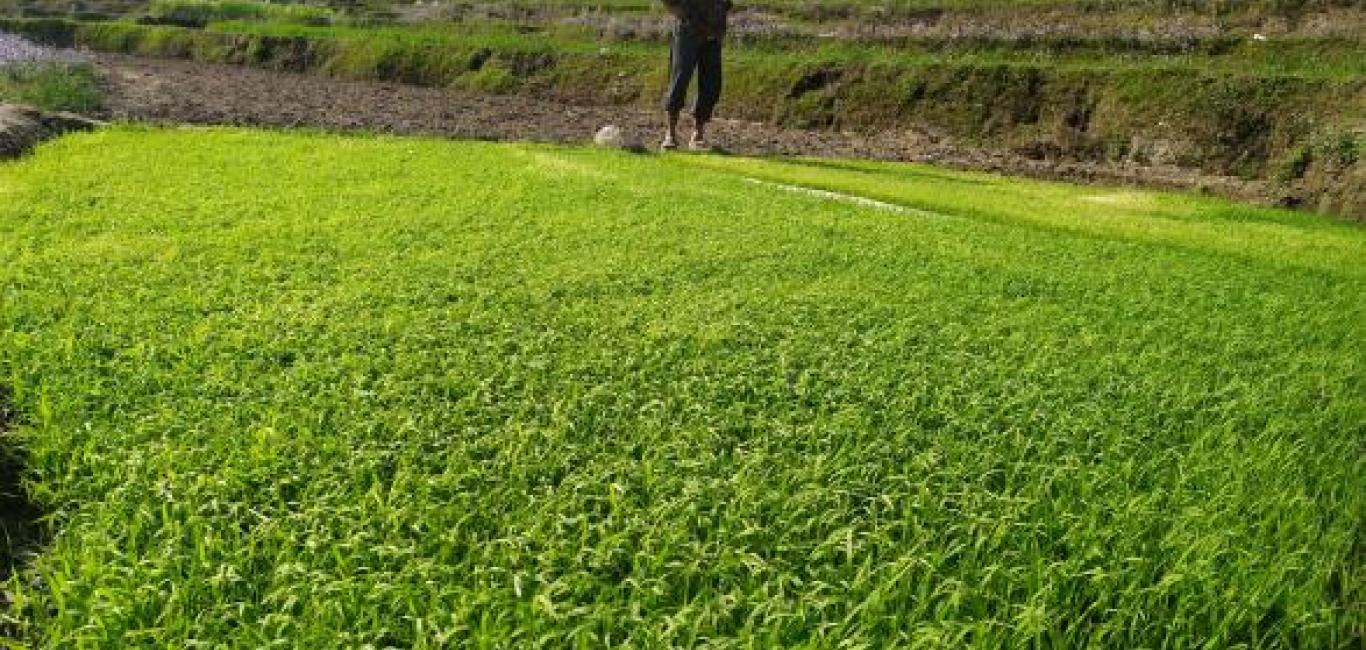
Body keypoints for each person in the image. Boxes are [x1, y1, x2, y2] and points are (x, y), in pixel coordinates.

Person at [659, 0, 732, 150]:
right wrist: (679, 12)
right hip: (688, 30)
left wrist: (722, 11)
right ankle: (670, 134)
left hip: (713, 32)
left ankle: (698, 134)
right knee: (680, 79)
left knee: (711, 83)